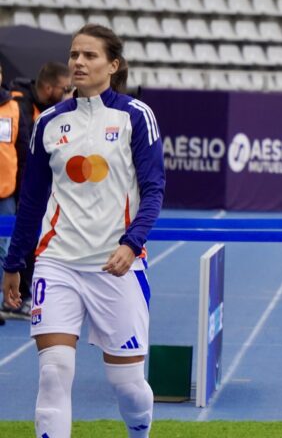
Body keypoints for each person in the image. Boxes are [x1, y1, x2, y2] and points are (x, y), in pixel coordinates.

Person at [2, 24, 165, 438]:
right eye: (75, 54)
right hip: (58, 265)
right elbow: (32, 201)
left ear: (113, 65)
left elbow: (153, 189)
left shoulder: (135, 116)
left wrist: (132, 244)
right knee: (54, 373)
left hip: (117, 267)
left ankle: (140, 432)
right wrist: (15, 262)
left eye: (89, 55)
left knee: (127, 387)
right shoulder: (50, 122)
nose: (78, 62)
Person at [3, 61, 72, 319]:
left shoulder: (48, 111)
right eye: (64, 88)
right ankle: (13, 296)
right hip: (18, 187)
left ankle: (24, 293)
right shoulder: (20, 105)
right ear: (48, 86)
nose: (68, 92)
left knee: (27, 243)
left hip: (22, 188)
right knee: (14, 244)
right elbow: (25, 153)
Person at [0, 63, 30, 326]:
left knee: (3, 250)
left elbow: (21, 151)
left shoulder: (13, 107)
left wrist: (22, 190)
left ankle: (4, 303)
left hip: (6, 192)